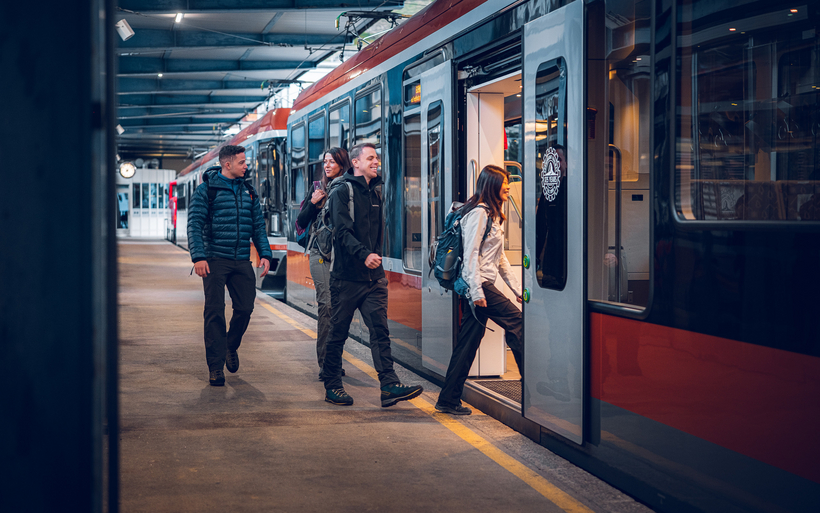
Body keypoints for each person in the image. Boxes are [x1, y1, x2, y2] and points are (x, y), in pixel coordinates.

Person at [322, 142, 424, 407]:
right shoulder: (341, 191)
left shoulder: (376, 191)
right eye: (370, 158)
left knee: (380, 331)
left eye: (376, 157)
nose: (376, 161)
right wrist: (364, 254)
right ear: (355, 163)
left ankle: (389, 385)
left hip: (373, 278)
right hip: (346, 277)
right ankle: (332, 386)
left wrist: (375, 262)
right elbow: (342, 232)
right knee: (338, 332)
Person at [435, 165, 524, 415]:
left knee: (468, 342)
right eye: (504, 182)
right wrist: (477, 293)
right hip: (479, 285)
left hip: (483, 284)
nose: (508, 186)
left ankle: (448, 399)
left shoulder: (493, 214)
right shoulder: (479, 214)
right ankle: (532, 390)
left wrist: (517, 289)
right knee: (517, 323)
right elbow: (471, 255)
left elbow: (500, 258)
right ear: (491, 185)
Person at [187, 145, 272, 386]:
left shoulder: (249, 191)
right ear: (227, 164)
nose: (247, 166)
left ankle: (230, 346)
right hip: (214, 259)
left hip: (241, 260)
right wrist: (198, 257)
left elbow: (258, 226)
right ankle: (215, 368)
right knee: (214, 312)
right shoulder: (206, 191)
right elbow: (194, 224)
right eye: (242, 162)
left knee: (245, 308)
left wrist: (265, 254)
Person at [296, 147, 351, 380]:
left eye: (332, 162)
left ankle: (333, 359)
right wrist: (313, 202)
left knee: (339, 310)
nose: (327, 166)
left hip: (343, 257)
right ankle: (326, 364)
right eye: (325, 161)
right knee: (327, 305)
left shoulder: (348, 187)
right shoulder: (318, 188)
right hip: (320, 253)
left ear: (342, 163)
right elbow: (300, 221)